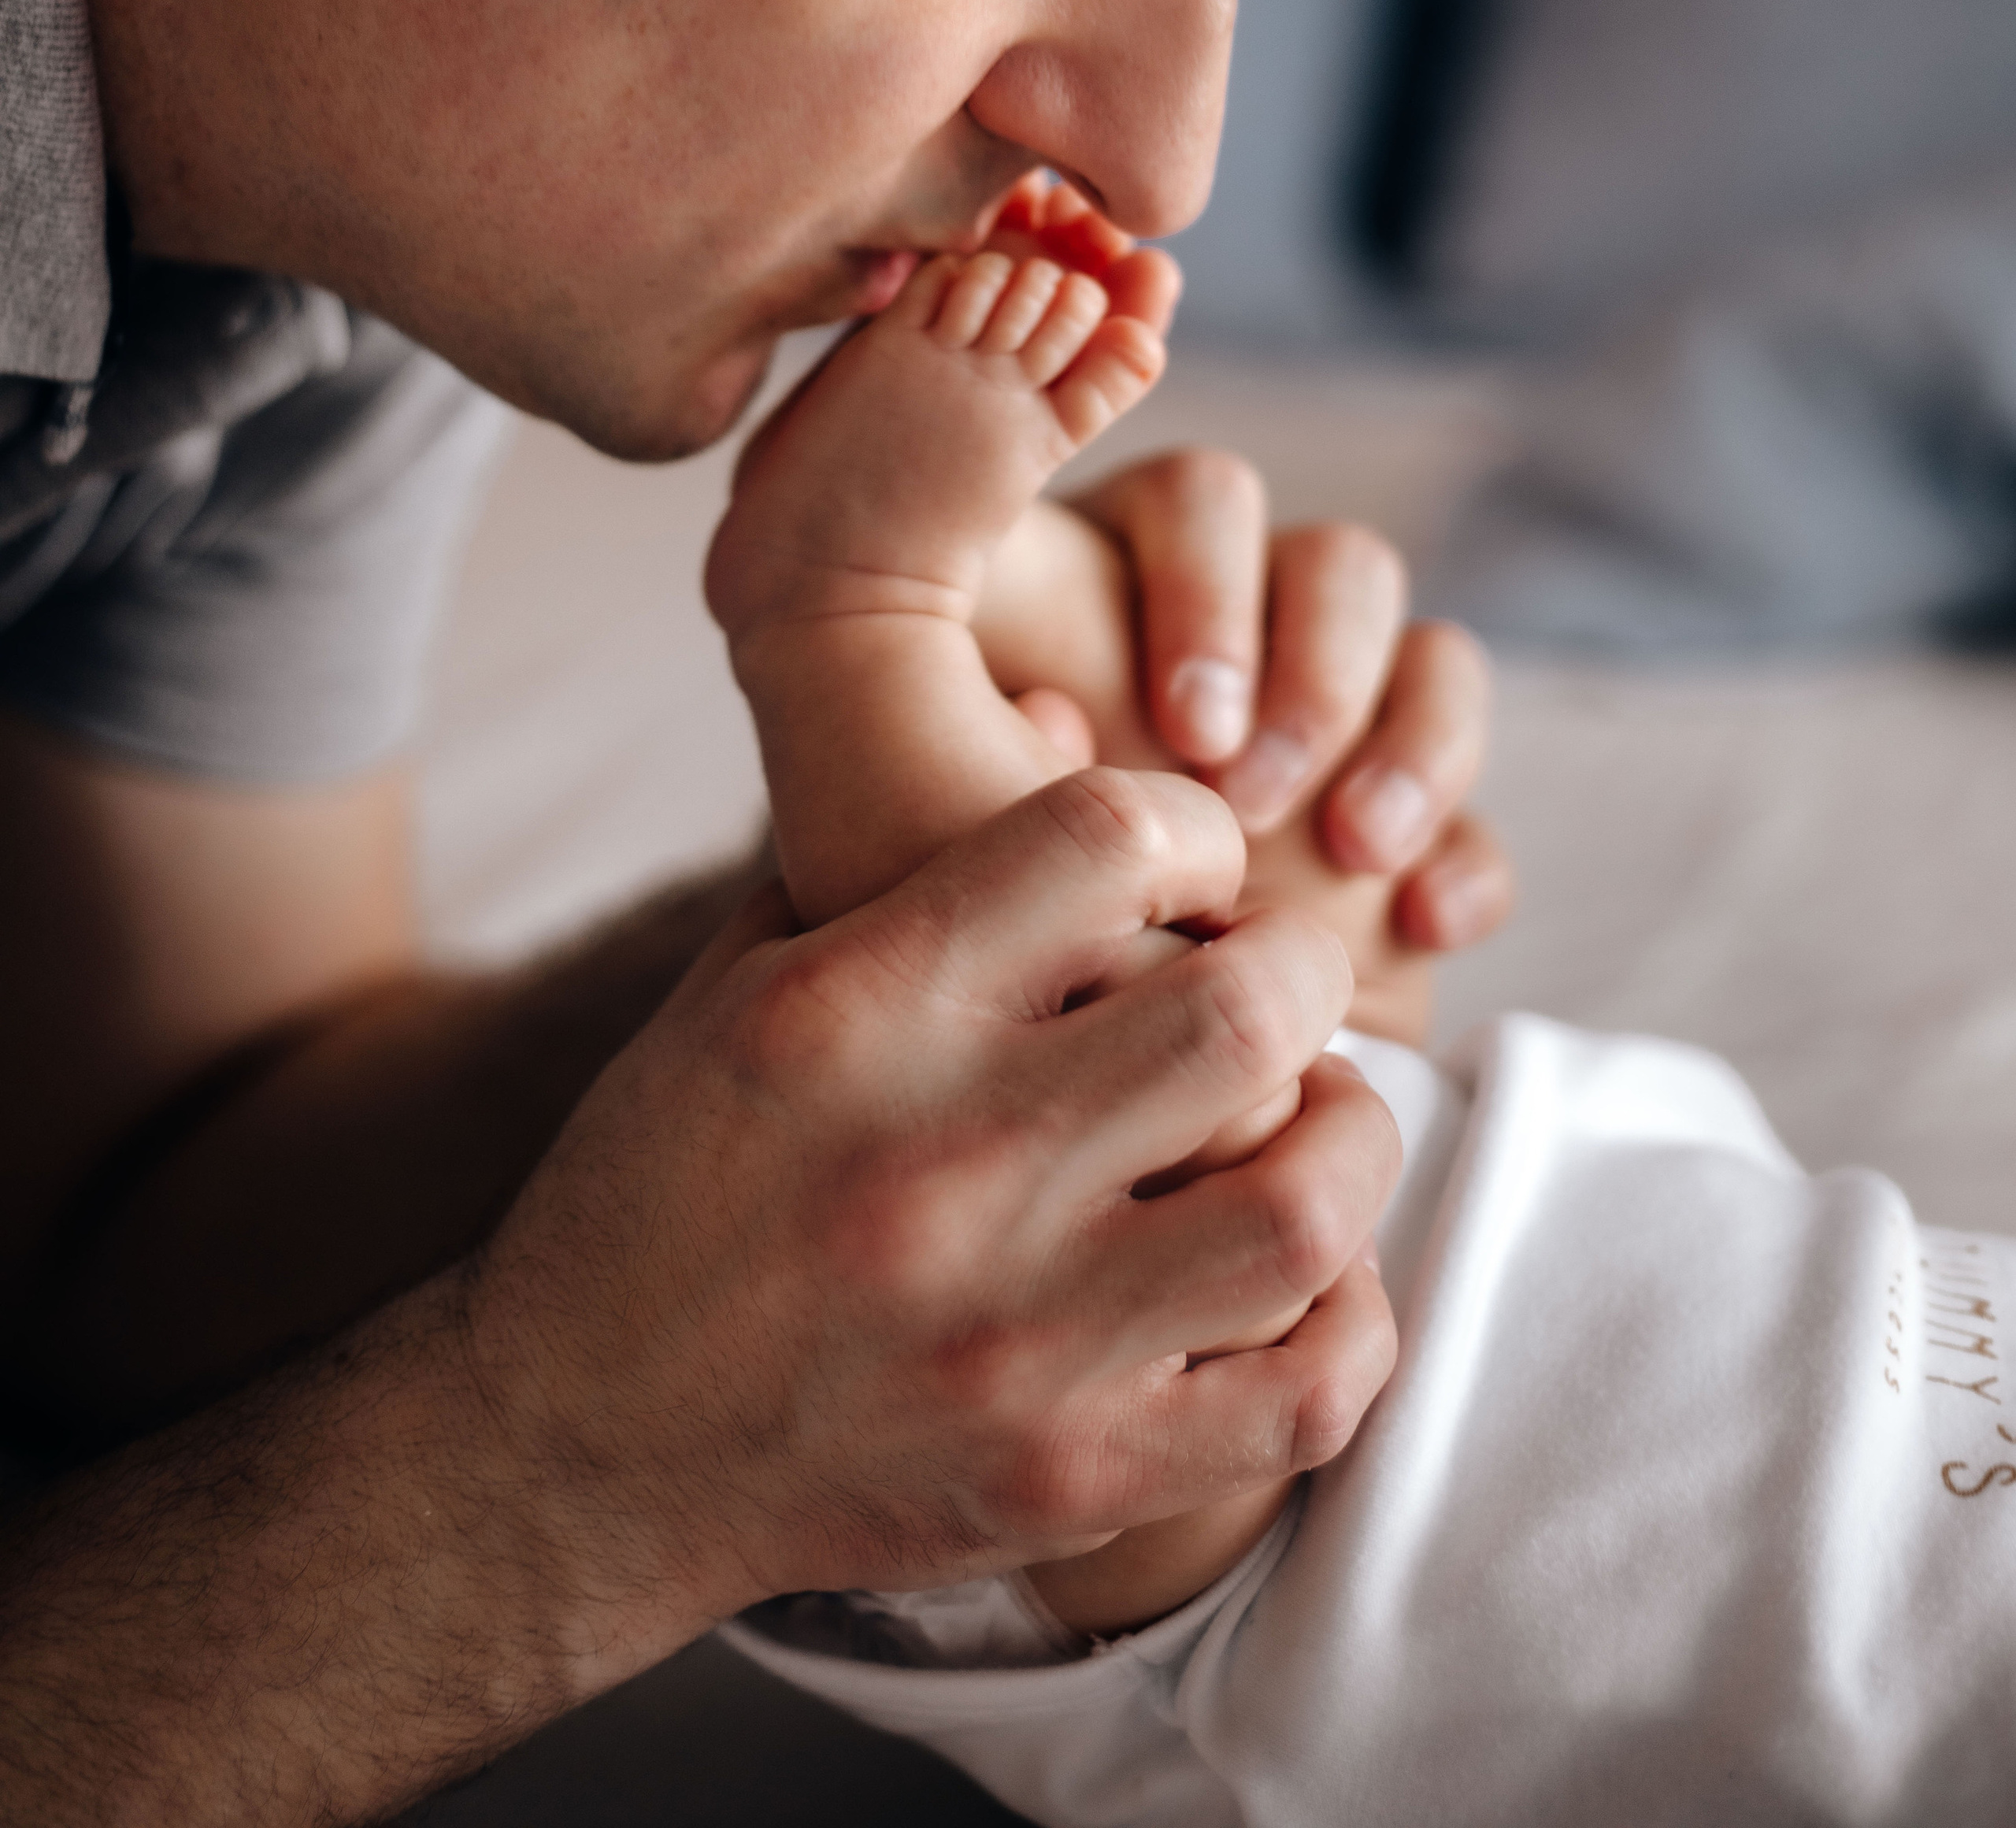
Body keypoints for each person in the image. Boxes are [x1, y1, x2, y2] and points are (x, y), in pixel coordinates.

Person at [0, 0, 1579, 1815]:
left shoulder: (329, 67)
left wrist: (901, 924)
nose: (1159, 144)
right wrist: (556, 1488)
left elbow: (120, 1220)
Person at [706, 226, 2016, 1826]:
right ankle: (1314, 986)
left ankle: (856, 612)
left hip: (1307, 1517)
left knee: (1077, 1121)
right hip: (1742, 1259)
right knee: (1282, 1085)